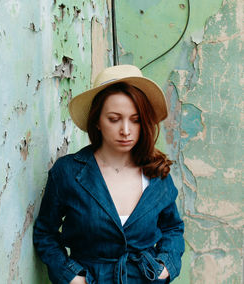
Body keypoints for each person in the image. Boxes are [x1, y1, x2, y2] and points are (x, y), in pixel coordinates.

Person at [33, 64, 184, 284]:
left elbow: (172, 227)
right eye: (114, 119)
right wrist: (72, 277)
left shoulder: (156, 173)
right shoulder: (68, 172)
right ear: (97, 121)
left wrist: (165, 267)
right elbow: (45, 233)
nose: (126, 130)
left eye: (135, 119)